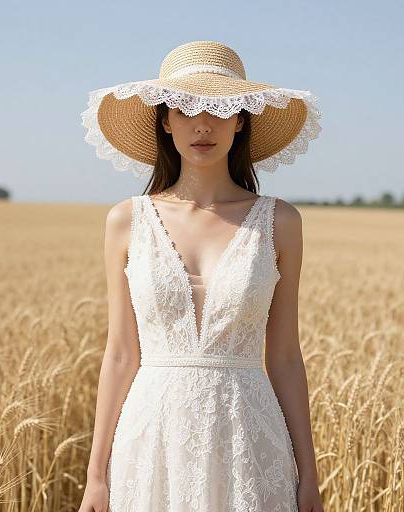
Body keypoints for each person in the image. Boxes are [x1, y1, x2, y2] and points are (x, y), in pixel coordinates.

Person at [78, 40, 323, 512]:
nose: (203, 124)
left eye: (220, 108)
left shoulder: (281, 223)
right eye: (188, 107)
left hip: (250, 440)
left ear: (241, 120)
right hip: (151, 441)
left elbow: (287, 357)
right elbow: (120, 353)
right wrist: (95, 476)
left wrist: (308, 476)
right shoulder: (126, 221)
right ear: (166, 120)